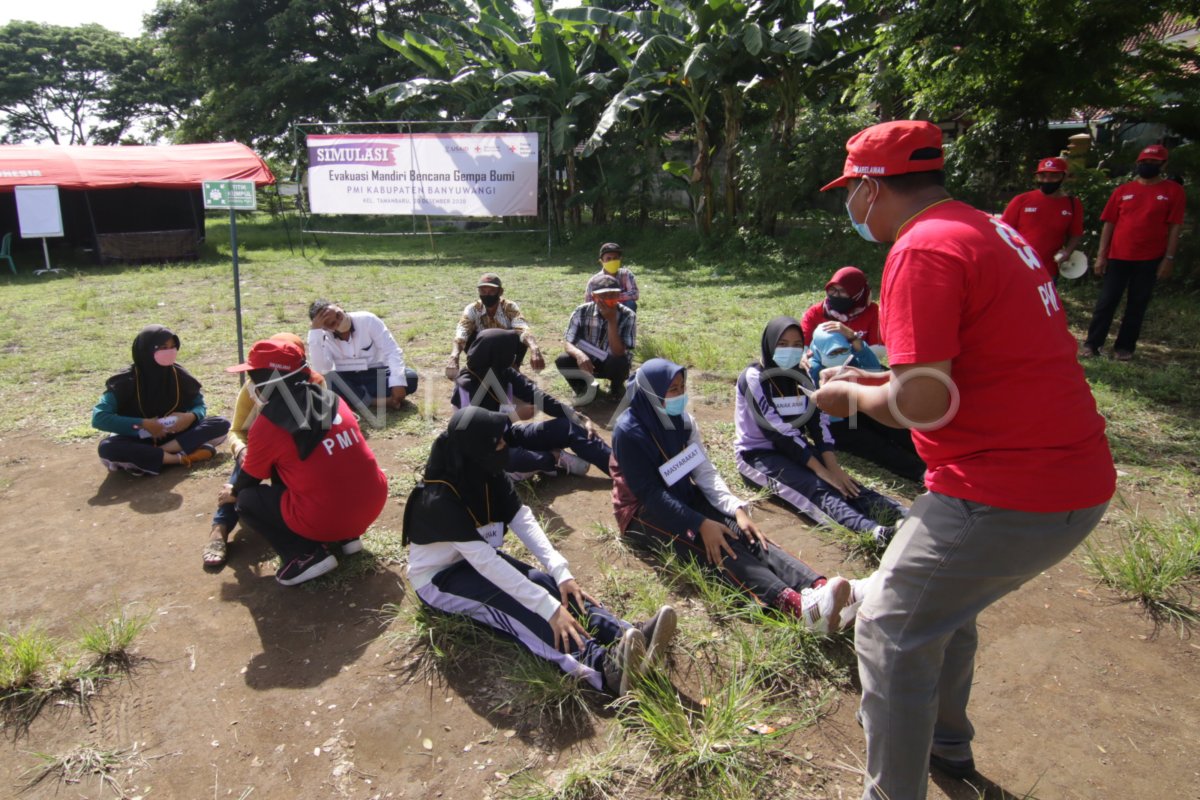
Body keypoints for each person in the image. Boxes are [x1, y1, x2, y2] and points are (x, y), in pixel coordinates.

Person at [817, 119, 1115, 800]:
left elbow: (922, 400)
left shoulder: (921, 249)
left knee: (889, 628)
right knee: (942, 610)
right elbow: (958, 373)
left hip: (1007, 486)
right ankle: (947, 747)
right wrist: (868, 385)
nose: (853, 207)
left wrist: (847, 399)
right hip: (1071, 474)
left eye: (852, 191)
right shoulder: (987, 228)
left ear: (869, 187)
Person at [404, 406, 678, 696]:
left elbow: (521, 518)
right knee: (517, 607)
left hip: (475, 558)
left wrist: (561, 573)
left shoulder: (485, 469)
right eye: (497, 441)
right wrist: (549, 610)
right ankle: (603, 667)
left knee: (547, 584)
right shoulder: (438, 499)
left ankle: (623, 634)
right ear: (477, 448)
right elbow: (486, 563)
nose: (504, 446)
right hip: (440, 579)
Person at [611, 358, 866, 633]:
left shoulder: (683, 422)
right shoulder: (628, 432)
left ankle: (819, 587)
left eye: (682, 387)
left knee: (745, 532)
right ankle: (797, 608)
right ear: (651, 393)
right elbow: (651, 495)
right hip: (643, 513)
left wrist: (736, 509)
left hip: (682, 493)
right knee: (717, 545)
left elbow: (704, 472)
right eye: (671, 390)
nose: (680, 395)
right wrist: (700, 524)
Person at [223, 338, 388, 586]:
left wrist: (233, 492)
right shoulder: (334, 400)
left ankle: (304, 555)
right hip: (372, 502)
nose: (250, 381)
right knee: (312, 466)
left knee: (248, 501)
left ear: (266, 381)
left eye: (253, 374)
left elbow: (250, 478)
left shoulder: (268, 425)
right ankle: (348, 538)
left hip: (329, 516)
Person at [735, 317, 907, 544]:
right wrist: (821, 471)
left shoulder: (802, 375)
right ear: (769, 344)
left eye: (797, 345)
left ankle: (900, 514)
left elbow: (818, 421)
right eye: (783, 344)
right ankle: (873, 533)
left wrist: (833, 467)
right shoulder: (753, 378)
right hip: (760, 454)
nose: (791, 350)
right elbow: (777, 432)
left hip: (797, 447)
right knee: (814, 487)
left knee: (846, 482)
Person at [204, 332, 313, 568]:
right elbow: (235, 429)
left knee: (256, 488)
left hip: (295, 456)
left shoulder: (317, 384)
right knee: (245, 463)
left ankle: (292, 527)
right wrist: (240, 449)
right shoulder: (252, 387)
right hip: (261, 449)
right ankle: (220, 527)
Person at [452, 329, 612, 480]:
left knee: (569, 428)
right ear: (496, 354)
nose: (513, 357)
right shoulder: (465, 386)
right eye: (509, 352)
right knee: (513, 460)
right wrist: (513, 416)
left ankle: (621, 469)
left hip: (509, 435)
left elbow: (539, 397)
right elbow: (474, 433)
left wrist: (580, 418)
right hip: (485, 451)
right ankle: (553, 458)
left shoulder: (503, 372)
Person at [1081, 144, 1186, 360]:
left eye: (1153, 163)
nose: (1147, 166)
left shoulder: (1172, 191)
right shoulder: (1123, 191)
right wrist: (1101, 255)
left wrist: (1169, 258)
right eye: (1143, 162)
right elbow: (1109, 223)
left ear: (1163, 164)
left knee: (1137, 304)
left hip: (1150, 258)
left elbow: (1175, 226)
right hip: (1118, 256)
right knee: (1106, 302)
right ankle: (1092, 345)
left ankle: (1124, 348)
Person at [93, 325, 230, 476]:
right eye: (163, 347)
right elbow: (99, 418)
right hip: (137, 436)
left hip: (176, 434)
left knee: (221, 424)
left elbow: (199, 405)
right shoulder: (125, 381)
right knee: (108, 448)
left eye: (173, 347)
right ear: (146, 350)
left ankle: (154, 455)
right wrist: (144, 424)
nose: (169, 352)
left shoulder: (179, 375)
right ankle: (180, 458)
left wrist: (190, 416)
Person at [808, 326, 926, 483]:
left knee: (895, 428)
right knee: (873, 444)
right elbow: (828, 412)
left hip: (856, 408)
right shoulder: (812, 369)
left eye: (842, 349)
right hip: (836, 423)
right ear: (817, 350)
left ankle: (934, 456)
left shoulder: (850, 359)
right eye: (833, 353)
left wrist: (855, 340)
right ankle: (920, 472)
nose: (839, 356)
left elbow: (875, 369)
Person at [306, 299, 419, 413]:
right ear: (324, 328)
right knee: (327, 384)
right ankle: (377, 401)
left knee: (410, 377)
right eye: (331, 323)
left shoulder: (367, 320)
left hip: (375, 375)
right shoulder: (321, 336)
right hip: (346, 379)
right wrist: (315, 332)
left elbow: (391, 351)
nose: (338, 321)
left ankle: (356, 399)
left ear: (340, 307)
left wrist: (397, 383)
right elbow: (321, 370)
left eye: (338, 315)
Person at [445, 273, 545, 380]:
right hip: (482, 350)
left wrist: (534, 348)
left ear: (500, 292)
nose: (487, 295)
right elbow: (461, 334)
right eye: (483, 291)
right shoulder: (472, 309)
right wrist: (454, 357)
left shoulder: (509, 307)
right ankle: (477, 369)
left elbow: (523, 329)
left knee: (519, 335)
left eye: (491, 291)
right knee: (470, 335)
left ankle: (513, 368)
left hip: (505, 350)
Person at [1000, 156, 1084, 282]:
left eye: (1053, 176)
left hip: (1048, 269)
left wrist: (1067, 252)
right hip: (1019, 266)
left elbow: (1076, 233)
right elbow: (1001, 230)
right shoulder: (1021, 200)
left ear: (1064, 177)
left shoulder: (1073, 204)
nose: (1047, 180)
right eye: (1042, 175)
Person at [556, 275, 636, 400]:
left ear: (619, 296)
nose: (609, 299)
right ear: (594, 297)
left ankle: (616, 388)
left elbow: (618, 351)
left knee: (621, 362)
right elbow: (568, 341)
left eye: (613, 295)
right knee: (563, 359)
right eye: (604, 295)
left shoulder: (627, 315)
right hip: (586, 361)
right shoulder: (581, 311)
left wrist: (612, 321)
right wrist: (579, 355)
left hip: (611, 361)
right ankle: (584, 388)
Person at [799, 266, 882, 349]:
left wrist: (851, 335)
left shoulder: (872, 312)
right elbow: (802, 346)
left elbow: (876, 351)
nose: (835, 295)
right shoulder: (815, 312)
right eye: (832, 289)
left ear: (858, 294)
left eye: (843, 291)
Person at [584, 242, 639, 312]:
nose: (612, 261)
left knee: (630, 303)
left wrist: (610, 298)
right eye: (608, 259)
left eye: (615, 258)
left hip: (622, 311)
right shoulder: (594, 281)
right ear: (601, 261)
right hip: (601, 312)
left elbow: (634, 293)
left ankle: (626, 322)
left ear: (620, 259)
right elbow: (588, 302)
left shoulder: (626, 274)